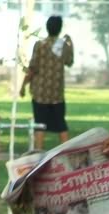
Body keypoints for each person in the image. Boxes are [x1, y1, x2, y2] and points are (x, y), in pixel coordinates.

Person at [19, 16, 74, 150]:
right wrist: (71, 44)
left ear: (47, 27)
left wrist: (23, 86)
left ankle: (38, 154)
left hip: (40, 93)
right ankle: (67, 152)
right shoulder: (63, 45)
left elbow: (32, 68)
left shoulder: (40, 45)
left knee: (40, 125)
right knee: (61, 125)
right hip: (56, 94)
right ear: (59, 29)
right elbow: (69, 62)